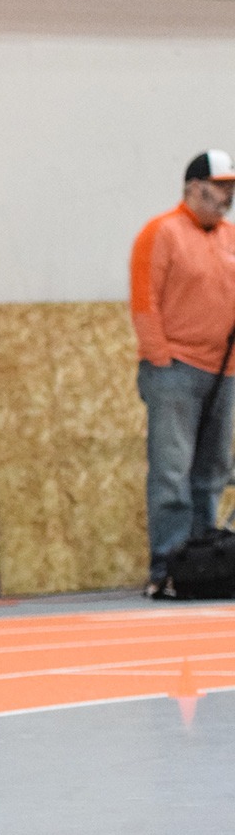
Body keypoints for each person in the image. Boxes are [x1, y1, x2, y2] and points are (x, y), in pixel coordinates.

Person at [131, 149, 235, 598]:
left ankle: (204, 565)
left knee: (211, 472)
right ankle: (168, 566)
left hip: (225, 370)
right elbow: (145, 299)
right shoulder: (162, 232)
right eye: (221, 188)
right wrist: (161, 359)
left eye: (232, 189)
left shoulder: (230, 237)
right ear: (194, 187)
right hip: (176, 370)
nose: (228, 197)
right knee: (172, 473)